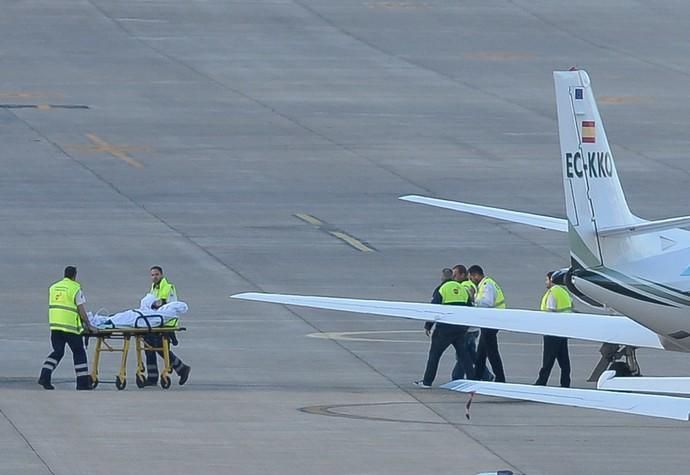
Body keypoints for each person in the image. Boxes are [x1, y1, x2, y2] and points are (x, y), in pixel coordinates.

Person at [38, 266, 96, 390]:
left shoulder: (53, 287)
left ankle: (44, 376)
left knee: (58, 352)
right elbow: (81, 309)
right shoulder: (75, 288)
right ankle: (82, 383)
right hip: (70, 328)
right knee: (79, 352)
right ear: (75, 275)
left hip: (55, 326)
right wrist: (89, 325)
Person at [414, 268, 471, 388]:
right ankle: (473, 380)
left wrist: (428, 325)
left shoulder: (441, 289)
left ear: (443, 277)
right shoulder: (462, 289)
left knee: (434, 355)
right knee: (464, 355)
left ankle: (427, 382)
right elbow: (470, 307)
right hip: (460, 328)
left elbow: (434, 309)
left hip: (445, 328)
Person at [143, 266, 190, 386]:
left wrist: (150, 305)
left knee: (157, 346)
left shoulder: (167, 287)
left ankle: (181, 368)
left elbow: (161, 303)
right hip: (156, 321)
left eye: (156, 274)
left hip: (165, 322)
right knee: (149, 346)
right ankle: (153, 377)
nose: (154, 277)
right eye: (152, 275)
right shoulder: (154, 287)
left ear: (162, 275)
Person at [453, 264, 494, 381]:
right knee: (470, 353)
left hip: (468, 327)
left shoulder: (465, 286)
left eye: (455, 275)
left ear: (463, 275)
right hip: (473, 326)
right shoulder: (471, 285)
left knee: (463, 353)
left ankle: (457, 377)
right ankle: (486, 375)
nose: (453, 277)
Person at [469, 265, 507, 383]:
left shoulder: (487, 285)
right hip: (490, 321)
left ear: (476, 275)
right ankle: (478, 375)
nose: (470, 280)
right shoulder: (486, 284)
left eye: (471, 277)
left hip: (492, 321)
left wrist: (473, 298)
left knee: (492, 352)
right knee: (482, 351)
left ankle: (500, 378)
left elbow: (487, 302)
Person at [535, 271, 573, 387]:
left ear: (552, 280)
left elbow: (550, 312)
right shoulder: (563, 292)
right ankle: (565, 384)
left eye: (547, 280)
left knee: (548, 360)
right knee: (564, 361)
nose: (545, 282)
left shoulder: (552, 293)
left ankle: (541, 383)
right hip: (563, 331)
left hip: (552, 332)